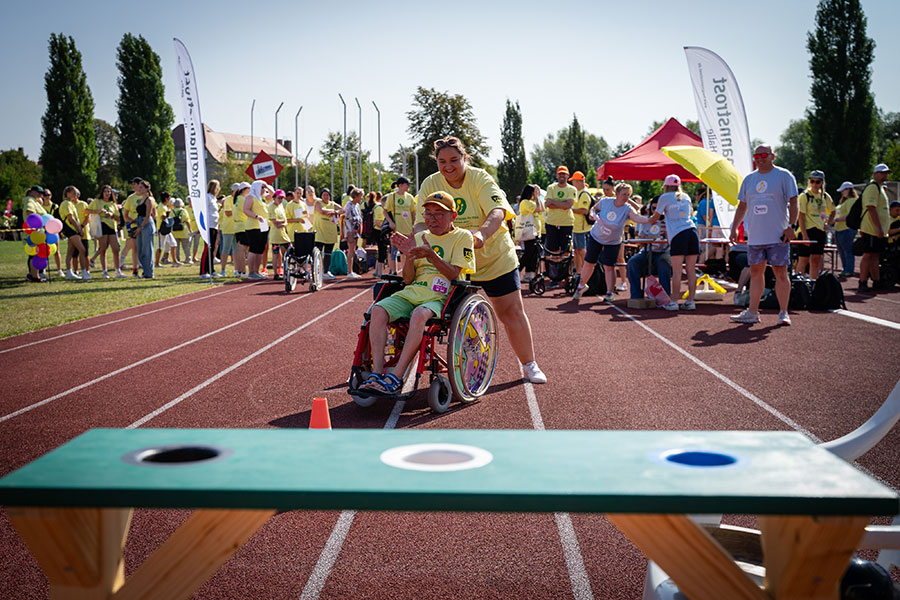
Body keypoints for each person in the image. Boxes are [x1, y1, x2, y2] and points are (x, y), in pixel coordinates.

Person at [408, 135, 546, 384]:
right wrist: (420, 244)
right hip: (453, 262)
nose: (448, 166)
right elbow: (420, 222)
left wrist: (481, 234)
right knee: (442, 314)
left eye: (453, 160)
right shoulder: (431, 183)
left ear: (464, 158)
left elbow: (498, 211)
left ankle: (530, 364)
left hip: (493, 256)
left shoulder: (479, 178)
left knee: (510, 311)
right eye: (442, 161)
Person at [359, 191, 476, 395]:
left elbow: (453, 274)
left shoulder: (462, 237)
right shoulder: (421, 236)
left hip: (441, 297)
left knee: (419, 314)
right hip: (413, 291)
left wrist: (431, 254)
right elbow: (407, 279)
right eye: (428, 214)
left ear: (453, 216)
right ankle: (377, 373)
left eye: (439, 214)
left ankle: (396, 376)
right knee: (377, 310)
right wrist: (410, 257)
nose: (432, 219)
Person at [729, 144, 799, 325]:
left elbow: (794, 201)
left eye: (764, 155)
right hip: (756, 236)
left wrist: (792, 225)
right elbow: (742, 205)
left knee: (781, 273)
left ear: (772, 156)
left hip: (778, 235)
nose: (760, 158)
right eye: (757, 155)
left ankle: (783, 313)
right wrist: (735, 227)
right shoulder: (749, 179)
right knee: (755, 273)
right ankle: (753, 312)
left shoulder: (784, 176)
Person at [574, 182, 649, 302]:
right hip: (596, 236)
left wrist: (651, 219)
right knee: (589, 262)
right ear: (617, 193)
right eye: (624, 194)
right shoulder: (606, 201)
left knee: (609, 266)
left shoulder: (627, 209)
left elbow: (637, 218)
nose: (626, 197)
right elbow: (594, 208)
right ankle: (581, 287)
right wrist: (593, 214)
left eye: (628, 195)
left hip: (613, 241)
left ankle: (609, 292)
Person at [645, 175, 701, 311]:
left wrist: (644, 219)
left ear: (666, 186)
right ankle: (690, 301)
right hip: (692, 232)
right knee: (691, 270)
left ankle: (674, 301)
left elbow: (655, 218)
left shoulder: (665, 197)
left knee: (676, 271)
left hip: (678, 234)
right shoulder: (686, 197)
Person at [626, 196, 672, 301]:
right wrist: (646, 239)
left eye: (658, 209)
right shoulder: (646, 220)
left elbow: (672, 240)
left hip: (663, 251)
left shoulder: (669, 222)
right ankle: (636, 296)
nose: (656, 211)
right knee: (632, 262)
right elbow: (641, 242)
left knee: (664, 262)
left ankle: (665, 297)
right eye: (653, 208)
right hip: (646, 251)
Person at [858, 163, 892, 291]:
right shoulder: (873, 188)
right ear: (875, 174)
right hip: (871, 229)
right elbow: (870, 208)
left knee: (875, 255)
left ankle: (876, 281)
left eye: (886, 173)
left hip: (878, 229)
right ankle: (862, 282)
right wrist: (878, 227)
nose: (885, 175)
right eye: (882, 173)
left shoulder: (880, 187)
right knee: (868, 255)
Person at [795, 170, 833, 279]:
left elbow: (833, 211)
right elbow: (801, 216)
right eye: (812, 181)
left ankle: (813, 285)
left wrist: (828, 224)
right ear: (809, 182)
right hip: (806, 230)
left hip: (820, 231)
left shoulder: (825, 196)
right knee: (803, 260)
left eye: (818, 182)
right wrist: (805, 235)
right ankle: (798, 286)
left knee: (816, 261)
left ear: (822, 182)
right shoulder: (804, 196)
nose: (815, 184)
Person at [89, 185, 125, 278]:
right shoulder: (97, 202)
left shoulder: (113, 203)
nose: (107, 193)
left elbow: (118, 218)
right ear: (102, 192)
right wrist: (99, 211)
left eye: (109, 191)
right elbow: (86, 211)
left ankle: (117, 271)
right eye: (105, 191)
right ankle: (104, 271)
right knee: (103, 249)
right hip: (102, 226)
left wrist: (112, 215)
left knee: (116, 248)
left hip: (112, 227)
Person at [383, 177, 416, 273]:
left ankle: (405, 272)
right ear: (400, 185)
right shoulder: (392, 196)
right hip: (396, 229)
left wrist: (413, 225)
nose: (409, 186)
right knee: (393, 251)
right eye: (407, 184)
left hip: (408, 229)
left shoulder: (410, 197)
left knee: (406, 252)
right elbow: (385, 211)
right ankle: (394, 272)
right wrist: (390, 222)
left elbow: (413, 212)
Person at [828, 181, 859, 278]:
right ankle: (845, 268)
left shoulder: (852, 200)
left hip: (847, 229)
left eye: (843, 190)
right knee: (842, 251)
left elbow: (850, 215)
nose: (842, 192)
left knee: (847, 250)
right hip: (839, 229)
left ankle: (849, 270)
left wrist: (835, 220)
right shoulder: (844, 201)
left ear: (849, 190)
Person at [543, 166, 576, 257]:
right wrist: (562, 204)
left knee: (566, 251)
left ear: (568, 176)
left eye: (564, 174)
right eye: (560, 174)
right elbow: (548, 204)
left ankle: (564, 270)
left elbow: (568, 205)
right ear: (557, 175)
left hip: (566, 223)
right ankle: (554, 271)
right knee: (553, 251)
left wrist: (553, 202)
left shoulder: (571, 189)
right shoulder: (551, 188)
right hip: (552, 223)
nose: (562, 176)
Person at [59, 186, 91, 281]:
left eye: (76, 193)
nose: (75, 195)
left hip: (72, 229)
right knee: (82, 250)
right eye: (73, 193)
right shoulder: (66, 203)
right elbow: (71, 218)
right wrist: (79, 229)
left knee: (70, 251)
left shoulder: (70, 203)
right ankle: (84, 272)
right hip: (71, 229)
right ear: (67, 193)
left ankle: (69, 272)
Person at [243, 181, 272, 280]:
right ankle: (251, 272)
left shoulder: (262, 198)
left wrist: (267, 185)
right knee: (254, 249)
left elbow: (273, 194)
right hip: (253, 226)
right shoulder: (250, 197)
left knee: (260, 249)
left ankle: (257, 271)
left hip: (263, 226)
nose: (264, 190)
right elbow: (246, 209)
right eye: (262, 187)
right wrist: (256, 216)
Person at [516, 184, 544, 281]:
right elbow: (539, 209)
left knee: (533, 254)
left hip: (535, 232)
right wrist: (536, 197)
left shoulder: (531, 202)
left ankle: (529, 274)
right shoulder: (525, 202)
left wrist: (538, 197)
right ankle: (516, 270)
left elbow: (542, 209)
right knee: (528, 253)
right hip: (530, 232)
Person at [314, 187, 342, 279]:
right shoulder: (318, 203)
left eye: (327, 195)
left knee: (328, 253)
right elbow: (321, 210)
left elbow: (343, 210)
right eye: (324, 195)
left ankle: (326, 271)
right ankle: (316, 271)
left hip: (330, 232)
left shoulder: (332, 204)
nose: (326, 196)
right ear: (321, 196)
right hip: (320, 232)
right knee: (318, 252)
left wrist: (336, 211)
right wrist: (334, 212)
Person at [133, 180, 157, 279]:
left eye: (141, 187)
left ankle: (149, 273)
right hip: (140, 222)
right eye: (139, 187)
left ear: (146, 189)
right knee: (140, 250)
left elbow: (148, 216)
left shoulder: (149, 200)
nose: (139, 189)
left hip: (146, 225)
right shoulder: (141, 199)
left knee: (147, 250)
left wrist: (140, 228)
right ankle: (145, 271)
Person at [23, 185, 48, 281]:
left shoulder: (34, 201)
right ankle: (34, 276)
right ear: (33, 192)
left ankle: (33, 274)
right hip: (34, 231)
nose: (40, 194)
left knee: (35, 253)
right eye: (38, 192)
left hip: (38, 231)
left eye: (41, 193)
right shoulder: (30, 200)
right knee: (34, 253)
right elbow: (30, 213)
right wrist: (37, 227)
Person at [571, 171, 593, 273]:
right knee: (577, 251)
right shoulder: (579, 192)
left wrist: (570, 210)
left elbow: (584, 210)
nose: (572, 184)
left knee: (581, 251)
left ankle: (586, 272)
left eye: (573, 181)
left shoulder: (584, 193)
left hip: (582, 228)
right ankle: (579, 272)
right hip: (577, 227)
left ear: (577, 181)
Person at [120, 177, 143, 276]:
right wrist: (132, 221)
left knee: (144, 248)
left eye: (134, 184)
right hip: (133, 227)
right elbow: (125, 215)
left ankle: (145, 267)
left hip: (145, 226)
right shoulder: (130, 198)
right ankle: (135, 269)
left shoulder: (146, 196)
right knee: (133, 248)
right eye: (132, 184)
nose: (132, 186)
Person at [199, 180, 221, 278]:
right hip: (208, 225)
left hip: (214, 225)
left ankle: (211, 270)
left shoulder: (213, 198)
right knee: (207, 248)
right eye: (218, 187)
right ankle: (203, 271)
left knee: (212, 249)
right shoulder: (207, 197)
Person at [267, 189, 291, 280]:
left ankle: (285, 270)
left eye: (282, 198)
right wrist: (282, 222)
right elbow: (275, 222)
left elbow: (285, 221)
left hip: (283, 234)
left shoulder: (281, 207)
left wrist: (282, 223)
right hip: (275, 235)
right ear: (274, 198)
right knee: (276, 253)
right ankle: (276, 273)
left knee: (289, 250)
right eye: (279, 198)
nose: (280, 200)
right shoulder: (271, 207)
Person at [343, 187, 364, 279]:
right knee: (351, 250)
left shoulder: (357, 205)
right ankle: (349, 271)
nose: (362, 198)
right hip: (350, 230)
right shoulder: (349, 204)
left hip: (356, 230)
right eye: (361, 196)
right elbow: (345, 216)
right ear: (356, 196)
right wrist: (349, 230)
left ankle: (351, 270)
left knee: (353, 249)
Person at [232, 182, 251, 278]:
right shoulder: (242, 199)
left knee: (240, 249)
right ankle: (242, 271)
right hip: (243, 225)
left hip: (238, 226)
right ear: (244, 189)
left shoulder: (236, 199)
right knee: (242, 249)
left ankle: (239, 270)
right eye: (249, 188)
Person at [218, 185, 237, 277]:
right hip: (228, 228)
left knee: (236, 250)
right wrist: (238, 210)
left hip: (238, 228)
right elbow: (228, 213)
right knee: (225, 249)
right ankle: (223, 270)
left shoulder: (241, 198)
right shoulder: (228, 199)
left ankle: (237, 270)